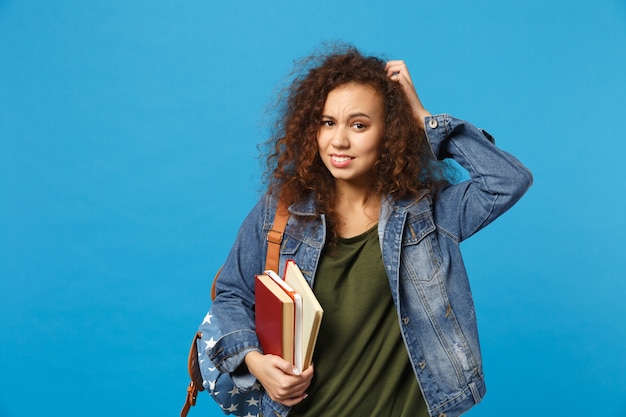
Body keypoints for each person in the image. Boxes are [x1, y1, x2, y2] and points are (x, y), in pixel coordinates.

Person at [200, 45, 533, 417]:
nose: (339, 140)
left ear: (389, 132)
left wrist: (423, 118)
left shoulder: (428, 214)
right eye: (327, 123)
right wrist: (256, 362)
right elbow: (231, 295)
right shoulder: (281, 210)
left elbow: (509, 180)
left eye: (359, 125)